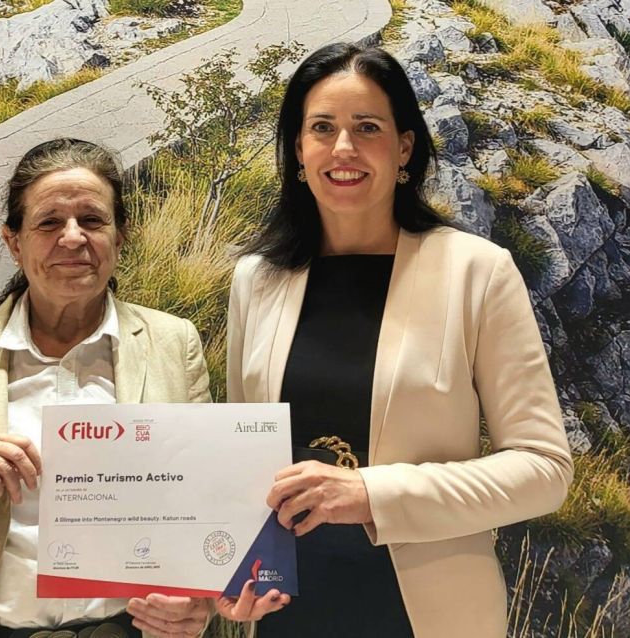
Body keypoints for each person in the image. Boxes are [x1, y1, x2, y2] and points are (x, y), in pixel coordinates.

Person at [218, 43, 574, 637]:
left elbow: (544, 470)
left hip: (426, 613)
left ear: (404, 147)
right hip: (286, 609)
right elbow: (241, 457)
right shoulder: (257, 278)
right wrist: (234, 573)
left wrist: (370, 493)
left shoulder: (476, 271)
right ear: (299, 150)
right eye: (322, 128)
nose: (343, 148)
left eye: (367, 128)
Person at [0, 138, 213, 638]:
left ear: (120, 236)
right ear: (14, 243)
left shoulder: (174, 343)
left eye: (92, 220)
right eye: (48, 222)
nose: (73, 237)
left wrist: (201, 603)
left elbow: (204, 511)